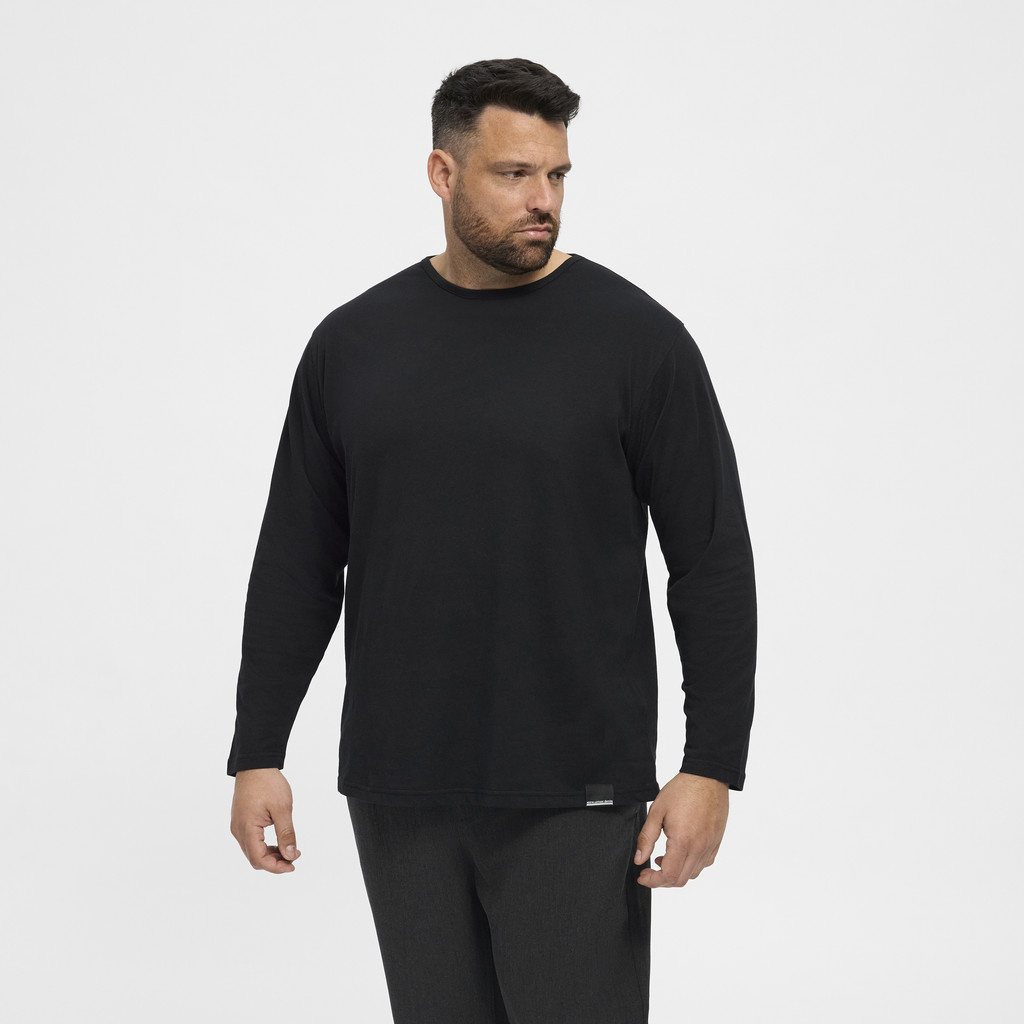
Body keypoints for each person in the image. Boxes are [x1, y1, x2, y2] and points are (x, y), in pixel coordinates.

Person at [227, 56, 757, 1024]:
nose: (542, 199)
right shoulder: (353, 345)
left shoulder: (638, 341)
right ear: (443, 173)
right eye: (514, 174)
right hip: (399, 788)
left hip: (576, 792)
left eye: (556, 174)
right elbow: (297, 560)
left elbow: (711, 561)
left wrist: (712, 763)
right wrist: (257, 748)